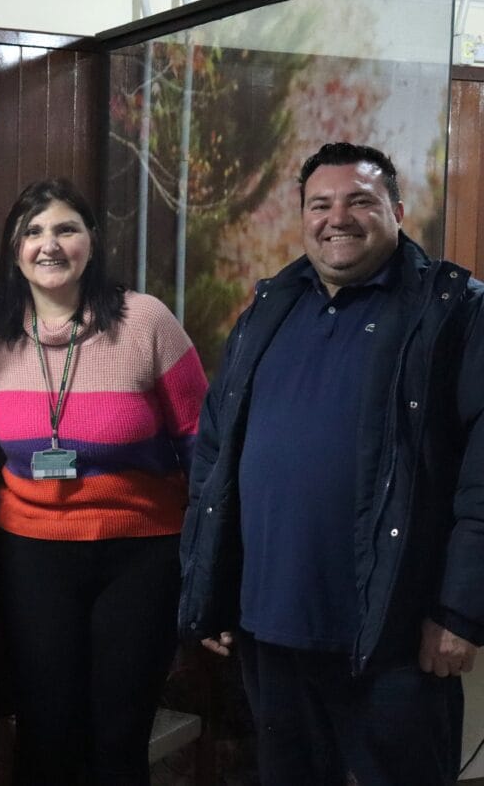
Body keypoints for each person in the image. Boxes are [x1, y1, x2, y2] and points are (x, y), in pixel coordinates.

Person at [179, 142, 484, 786]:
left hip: (396, 634)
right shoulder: (269, 308)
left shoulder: (455, 310)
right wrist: (210, 588)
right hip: (270, 627)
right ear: (303, 217)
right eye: (320, 204)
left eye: (359, 201)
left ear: (398, 211)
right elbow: (214, 454)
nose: (336, 218)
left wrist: (460, 611)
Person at [0, 178, 208, 785]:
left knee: (119, 735)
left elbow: (203, 442)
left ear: (91, 241)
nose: (49, 244)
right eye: (33, 232)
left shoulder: (146, 322)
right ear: (14, 249)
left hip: (141, 553)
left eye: (66, 229)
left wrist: (213, 557)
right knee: (46, 731)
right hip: (33, 555)